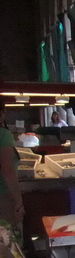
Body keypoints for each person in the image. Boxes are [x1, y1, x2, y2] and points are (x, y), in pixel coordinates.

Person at [0, 102, 24, 240]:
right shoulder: (3, 135)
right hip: (3, 198)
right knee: (8, 244)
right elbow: (7, 170)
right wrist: (18, 201)